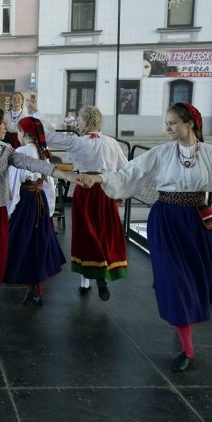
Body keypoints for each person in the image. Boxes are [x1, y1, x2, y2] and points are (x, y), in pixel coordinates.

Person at [79, 102, 212, 372]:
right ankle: (187, 346)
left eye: (173, 122)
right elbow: (130, 172)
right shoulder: (162, 153)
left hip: (197, 222)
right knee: (174, 280)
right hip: (166, 221)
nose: (167, 128)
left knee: (194, 279)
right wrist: (99, 179)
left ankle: (182, 320)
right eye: (166, 122)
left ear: (190, 124)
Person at [0, 108, 81, 349]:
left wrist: (64, 174)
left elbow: (31, 162)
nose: (6, 129)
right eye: (2, 126)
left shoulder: (6, 151)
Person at [44, 106, 129, 301]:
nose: (77, 123)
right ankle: (101, 274)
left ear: (87, 122)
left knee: (85, 234)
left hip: (84, 189)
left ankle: (85, 283)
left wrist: (38, 118)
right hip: (105, 190)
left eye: (80, 120)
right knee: (104, 233)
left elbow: (52, 137)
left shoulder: (78, 142)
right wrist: (120, 193)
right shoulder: (112, 143)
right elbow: (125, 169)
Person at [3, 117, 66, 306]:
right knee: (36, 244)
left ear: (24, 133)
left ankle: (0, 281)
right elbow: (49, 184)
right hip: (40, 202)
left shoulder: (21, 152)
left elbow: (13, 185)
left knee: (16, 243)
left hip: (24, 203)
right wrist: (50, 210)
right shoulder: (42, 152)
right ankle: (35, 287)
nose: (18, 135)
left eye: (19, 132)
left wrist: (9, 210)